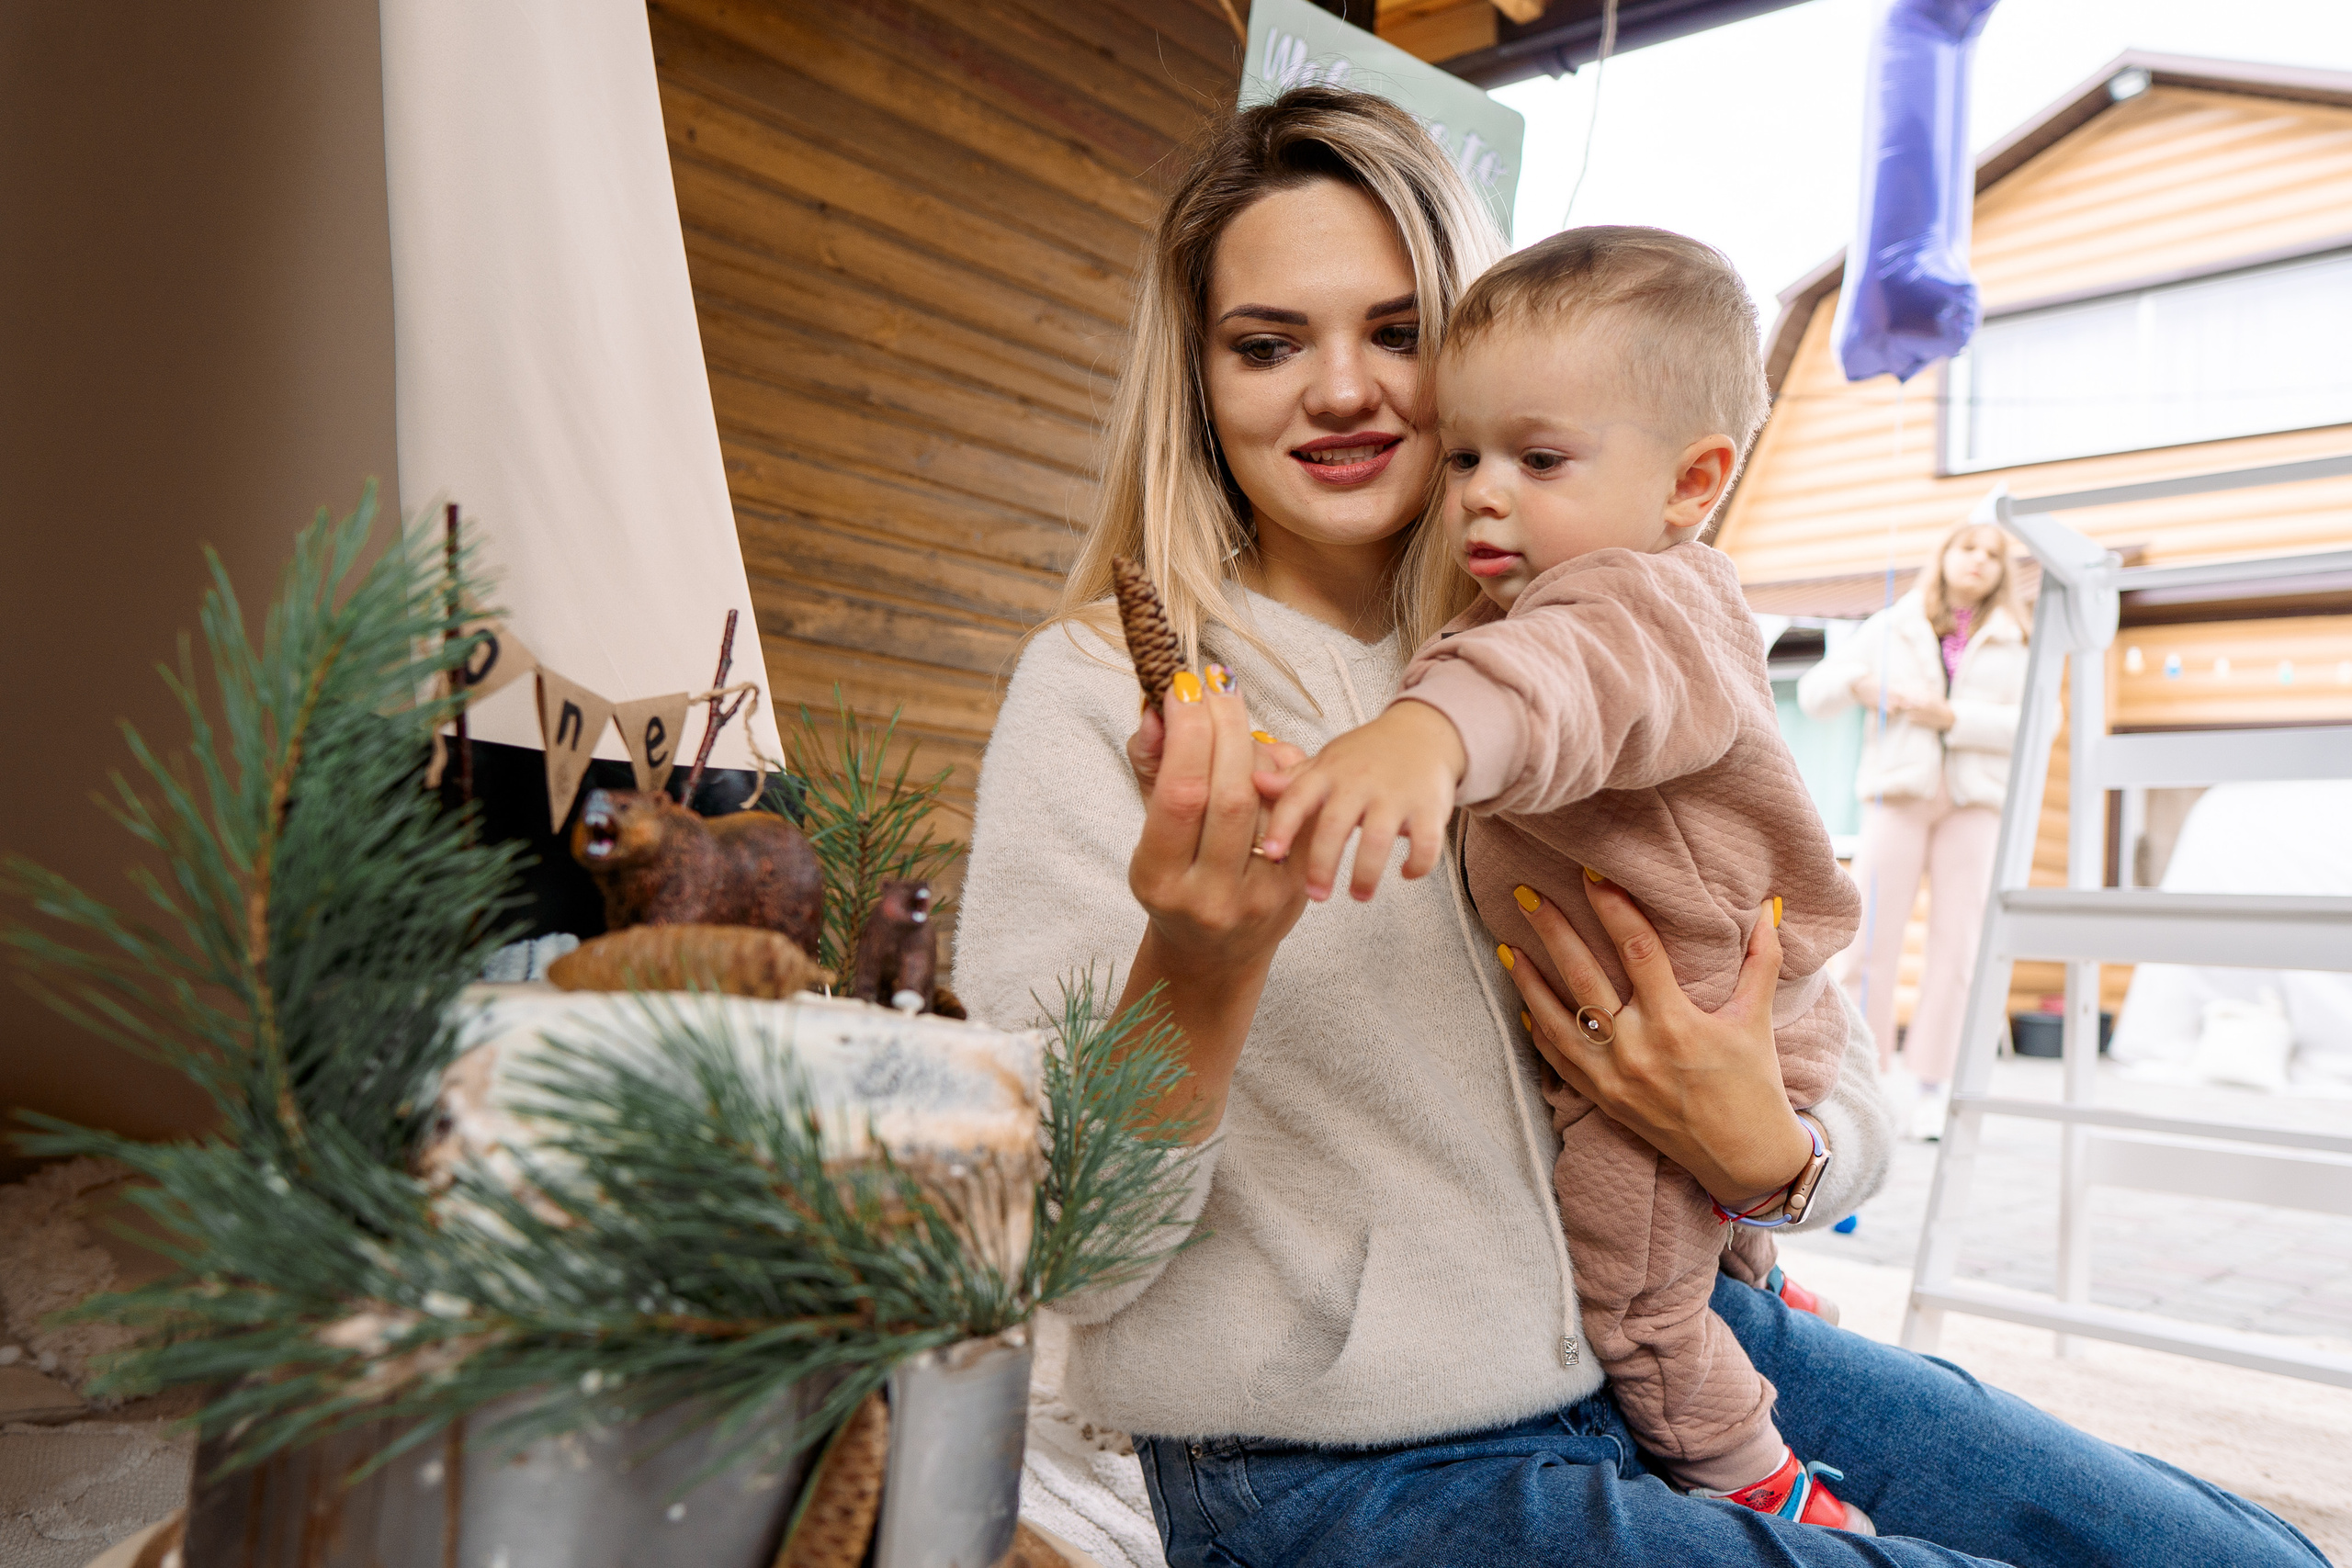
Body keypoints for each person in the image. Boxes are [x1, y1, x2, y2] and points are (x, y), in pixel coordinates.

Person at [954, 85, 2328, 1568]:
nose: (1341, 389)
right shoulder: (1103, 696)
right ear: (1201, 380)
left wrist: (1768, 1153)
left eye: (1399, 332)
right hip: (1345, 1452)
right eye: (1269, 343)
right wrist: (1200, 969)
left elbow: (1833, 1072)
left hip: (1681, 1340)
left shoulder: (1610, 628)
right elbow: (1066, 1260)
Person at [1254, 227, 1868, 1529]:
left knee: (1635, 1307)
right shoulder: (1570, 604)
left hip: (1685, 1041)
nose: (1483, 491)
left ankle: (1755, 1469)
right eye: (1465, 451)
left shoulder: (1633, 608)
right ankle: (1756, 1291)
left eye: (1537, 460)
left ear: (1693, 479)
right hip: (1704, 1037)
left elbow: (1565, 691)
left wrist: (1422, 736)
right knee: (1673, 1248)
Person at [1798, 523, 2029, 1140]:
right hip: (1899, 795)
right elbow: (1815, 691)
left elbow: (2034, 726)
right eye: (1967, 548)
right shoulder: (1890, 626)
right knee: (1867, 941)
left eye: (1991, 554)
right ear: (1945, 556)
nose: (1978, 560)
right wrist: (1859, 684)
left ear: (2002, 570)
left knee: (1958, 948)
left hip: (1973, 805)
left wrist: (1950, 715)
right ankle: (1861, 1081)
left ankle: (1933, 1091)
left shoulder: (2017, 641)